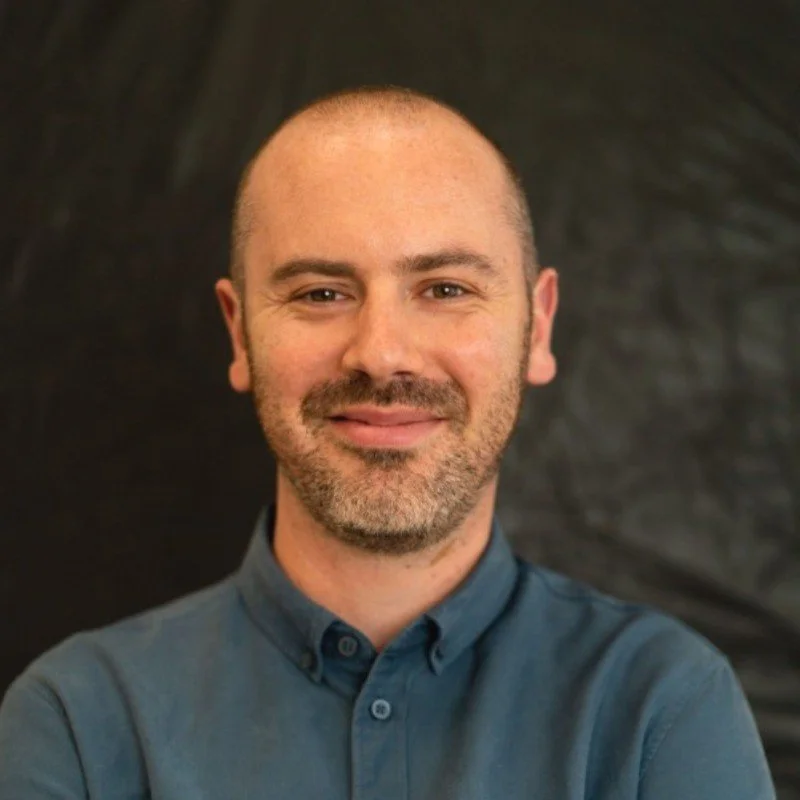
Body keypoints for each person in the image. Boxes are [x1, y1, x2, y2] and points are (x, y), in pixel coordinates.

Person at [0, 86, 776, 799]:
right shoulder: (80, 723)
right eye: (321, 293)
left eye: (445, 289)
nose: (381, 353)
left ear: (537, 326)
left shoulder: (660, 706)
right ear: (238, 334)